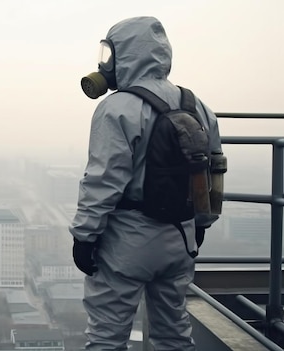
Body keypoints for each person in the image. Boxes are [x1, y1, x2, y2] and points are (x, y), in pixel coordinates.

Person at [69, 16, 222, 351]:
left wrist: (84, 236)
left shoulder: (117, 108)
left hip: (128, 243)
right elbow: (213, 171)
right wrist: (201, 223)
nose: (104, 63)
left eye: (109, 54)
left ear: (126, 55)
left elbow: (103, 180)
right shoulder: (198, 106)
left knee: (107, 337)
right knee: (173, 333)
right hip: (181, 239)